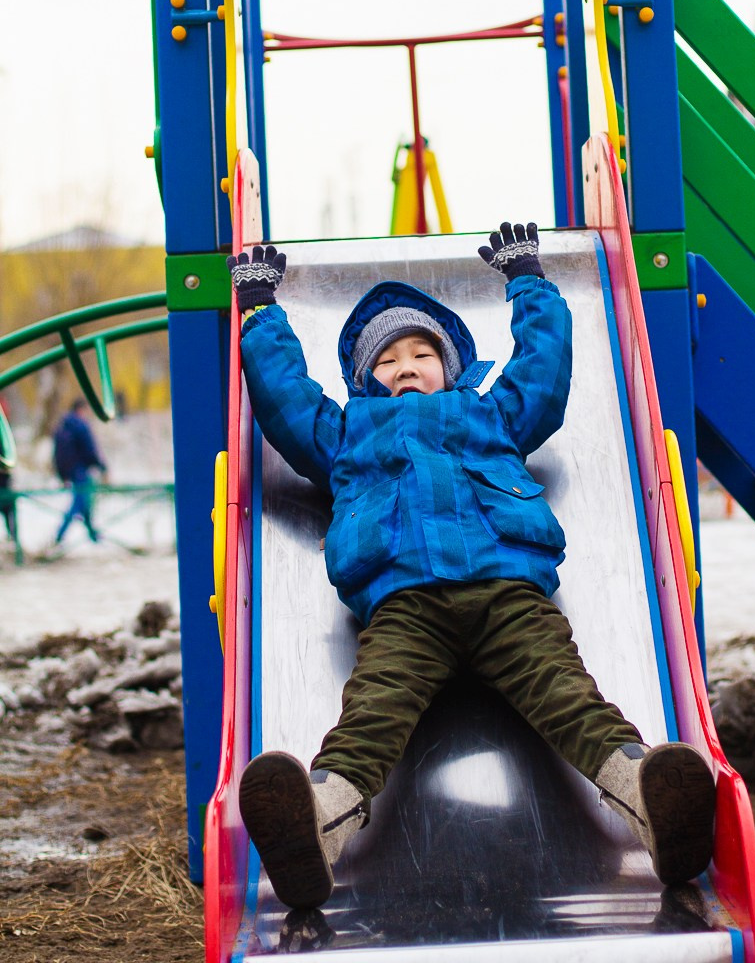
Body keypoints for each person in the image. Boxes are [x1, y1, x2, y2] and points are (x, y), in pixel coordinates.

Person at [227, 223, 716, 911]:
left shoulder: (490, 415)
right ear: (364, 379)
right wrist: (260, 313)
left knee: (567, 696)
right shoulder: (345, 432)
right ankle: (315, 824)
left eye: (420, 353)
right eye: (386, 359)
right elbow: (284, 400)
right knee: (371, 712)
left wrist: (529, 283)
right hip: (404, 604)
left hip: (506, 593)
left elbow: (542, 376)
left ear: (450, 366)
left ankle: (652, 804)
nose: (403, 365)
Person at [53, 398, 108, 544]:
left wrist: (62, 475)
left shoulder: (63, 426)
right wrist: (102, 466)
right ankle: (59, 536)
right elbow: (90, 449)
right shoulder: (81, 426)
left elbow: (57, 454)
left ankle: (93, 535)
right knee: (79, 503)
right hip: (81, 470)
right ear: (81, 409)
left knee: (84, 503)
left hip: (69, 471)